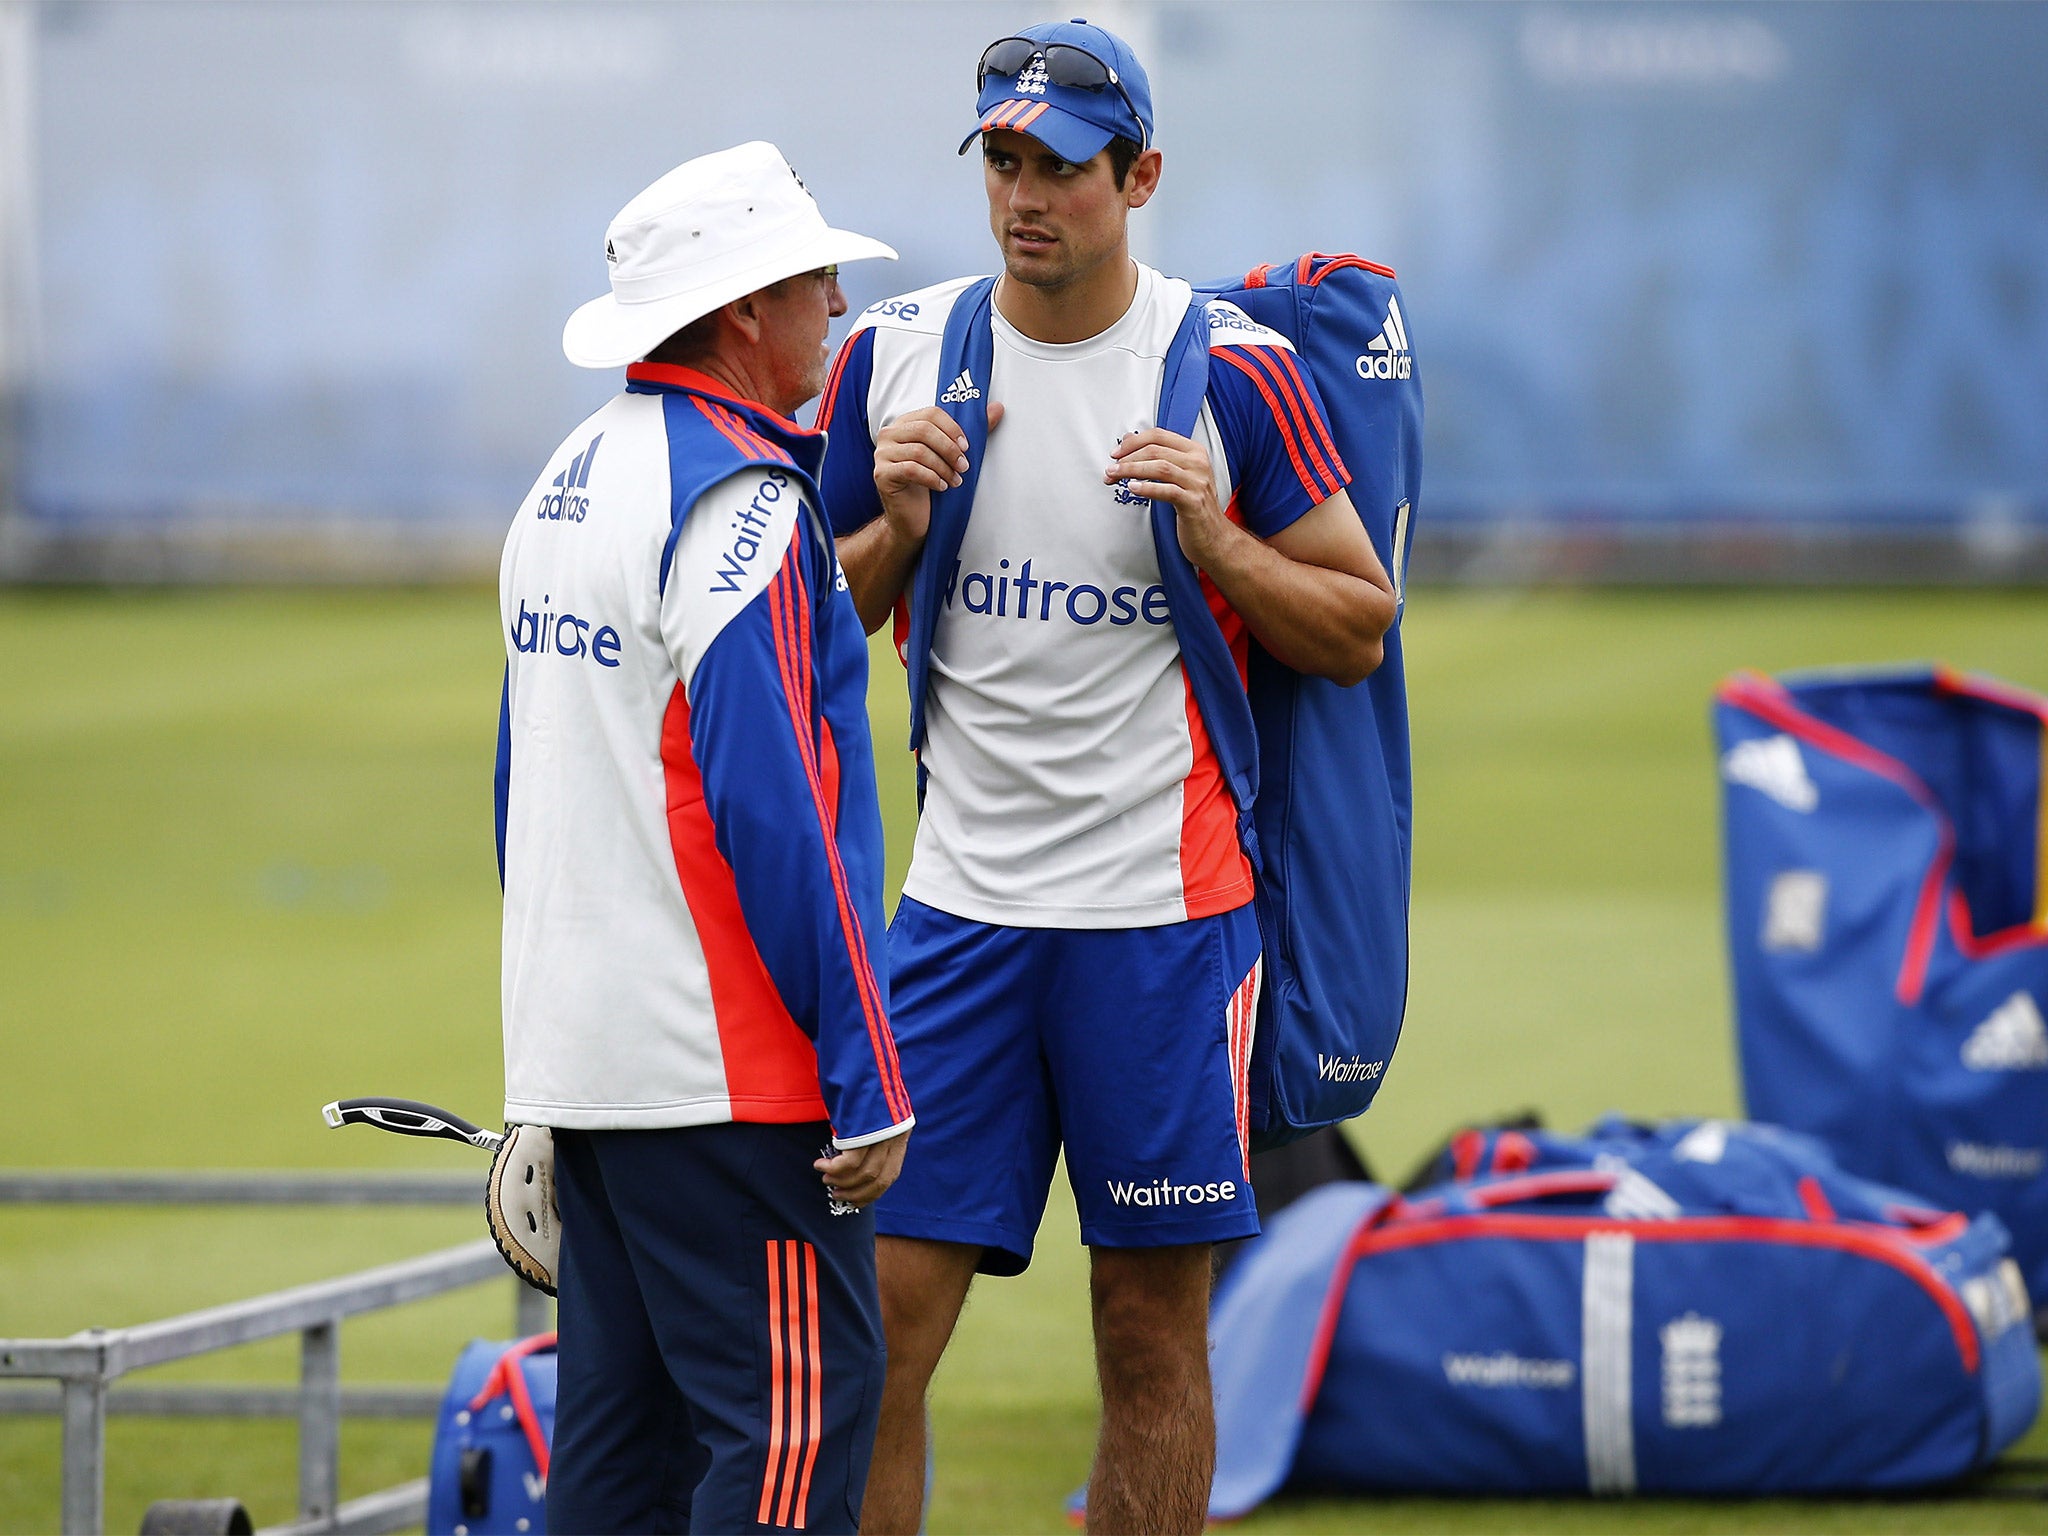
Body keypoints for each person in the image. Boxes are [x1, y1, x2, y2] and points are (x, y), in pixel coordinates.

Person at [814, 20, 1399, 1536]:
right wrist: (893, 519)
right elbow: (805, 626)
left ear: (1138, 177)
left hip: (1166, 925)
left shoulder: (1234, 371)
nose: (1025, 196)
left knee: (1148, 1335)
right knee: (880, 1332)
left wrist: (1217, 539)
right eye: (1002, 161)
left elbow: (1356, 625)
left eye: (1061, 168)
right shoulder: (893, 357)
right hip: (956, 922)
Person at [495, 141, 913, 1534]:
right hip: (728, 1080)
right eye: (814, 281)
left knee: (620, 1456)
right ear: (744, 312)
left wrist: (541, 1059)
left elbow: (526, 791)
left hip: (593, 1062)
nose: (839, 304)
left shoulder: (566, 476)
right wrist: (865, 1068)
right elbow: (777, 808)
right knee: (803, 1418)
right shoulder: (738, 497)